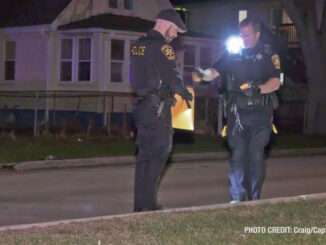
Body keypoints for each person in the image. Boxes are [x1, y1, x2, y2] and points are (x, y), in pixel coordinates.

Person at [193, 17, 281, 203]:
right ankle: (238, 199)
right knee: (238, 156)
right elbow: (212, 73)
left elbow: (275, 82)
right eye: (241, 35)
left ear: (257, 35)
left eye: (247, 35)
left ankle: (254, 197)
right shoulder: (233, 55)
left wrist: (257, 90)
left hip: (260, 114)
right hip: (236, 115)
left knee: (256, 156)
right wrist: (197, 74)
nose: (243, 39)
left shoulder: (268, 55)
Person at [131, 9, 193, 212]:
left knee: (143, 157)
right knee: (159, 153)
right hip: (157, 108)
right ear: (166, 24)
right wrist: (184, 91)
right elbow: (171, 76)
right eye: (175, 30)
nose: (175, 36)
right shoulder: (163, 48)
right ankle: (148, 207)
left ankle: (140, 205)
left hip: (141, 106)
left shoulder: (139, 44)